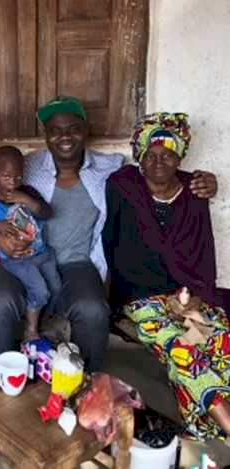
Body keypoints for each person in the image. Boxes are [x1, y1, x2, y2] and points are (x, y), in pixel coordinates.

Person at [0, 96, 218, 381]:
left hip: (76, 265)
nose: (65, 136)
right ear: (46, 135)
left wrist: (201, 181)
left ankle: (86, 393)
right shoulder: (26, 167)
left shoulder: (111, 169)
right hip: (24, 259)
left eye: (73, 128)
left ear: (86, 131)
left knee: (93, 311)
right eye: (55, 129)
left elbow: (156, 171)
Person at [102, 112, 230, 440]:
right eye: (151, 155)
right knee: (182, 350)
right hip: (141, 300)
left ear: (180, 157)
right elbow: (115, 247)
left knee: (215, 340)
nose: (159, 162)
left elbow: (203, 253)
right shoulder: (124, 187)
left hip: (186, 296)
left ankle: (205, 424)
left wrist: (193, 300)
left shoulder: (194, 194)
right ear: (140, 158)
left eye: (169, 154)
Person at [0, 145, 61, 342]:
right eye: (6, 177)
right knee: (40, 290)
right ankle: (30, 331)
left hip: (42, 252)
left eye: (18, 177)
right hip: (18, 260)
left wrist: (27, 200)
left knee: (55, 287)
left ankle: (42, 320)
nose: (13, 183)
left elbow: (47, 213)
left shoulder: (28, 192)